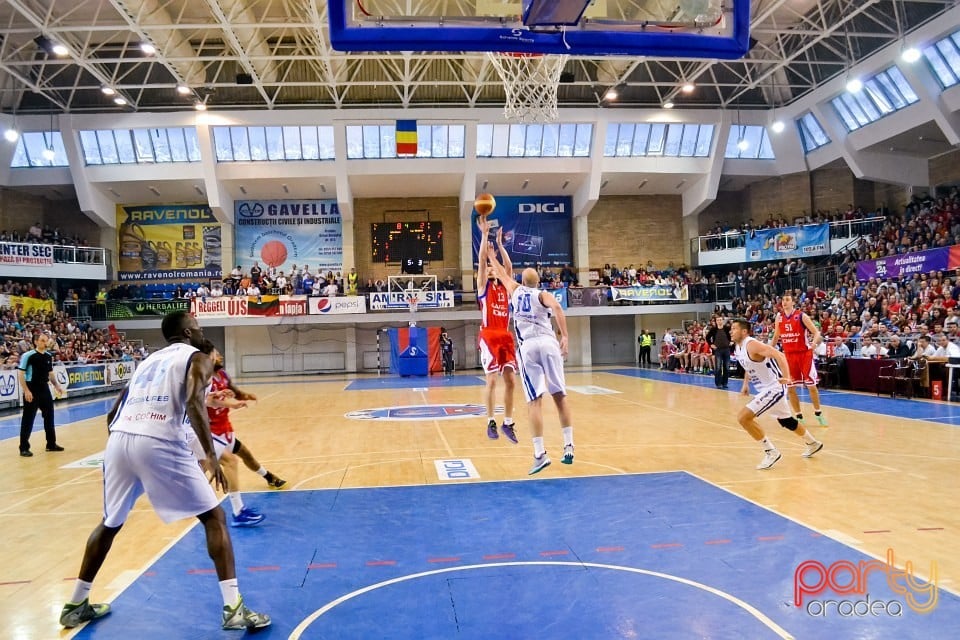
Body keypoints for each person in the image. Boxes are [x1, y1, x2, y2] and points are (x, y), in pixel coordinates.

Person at [59, 311, 270, 632]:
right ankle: (234, 609)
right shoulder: (197, 356)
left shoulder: (147, 361)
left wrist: (126, 446)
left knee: (110, 523)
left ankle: (76, 604)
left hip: (119, 439)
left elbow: (115, 410)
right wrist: (211, 458)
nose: (202, 334)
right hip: (157, 439)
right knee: (214, 518)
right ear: (186, 333)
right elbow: (192, 402)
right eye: (198, 329)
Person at [487, 259, 574, 474]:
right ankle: (569, 446)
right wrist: (565, 336)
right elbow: (556, 307)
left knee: (534, 402)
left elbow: (500, 272)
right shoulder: (541, 295)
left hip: (528, 347)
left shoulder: (515, 291)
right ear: (538, 282)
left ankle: (539, 454)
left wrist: (492, 252)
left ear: (522, 280)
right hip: (549, 343)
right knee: (560, 396)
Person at [198, 341, 287, 528]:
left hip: (224, 429)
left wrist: (243, 396)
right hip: (209, 431)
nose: (220, 356)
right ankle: (238, 512)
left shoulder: (221, 374)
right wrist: (231, 403)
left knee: (243, 455)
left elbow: (230, 394)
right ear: (209, 357)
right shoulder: (202, 377)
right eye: (217, 353)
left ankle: (269, 477)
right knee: (227, 462)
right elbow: (206, 401)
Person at [730, 318, 823, 470]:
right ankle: (813, 443)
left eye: (734, 329)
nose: (731, 331)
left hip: (774, 387)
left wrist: (786, 376)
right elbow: (748, 365)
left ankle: (770, 451)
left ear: (744, 331)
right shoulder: (738, 347)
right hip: (763, 388)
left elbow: (779, 355)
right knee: (786, 420)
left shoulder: (752, 344)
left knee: (743, 418)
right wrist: (745, 384)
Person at [476, 218, 518, 443]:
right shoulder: (484, 288)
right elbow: (482, 262)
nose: (493, 269)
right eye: (491, 268)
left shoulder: (506, 287)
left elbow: (509, 268)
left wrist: (501, 246)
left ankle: (508, 422)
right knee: (491, 380)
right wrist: (484, 236)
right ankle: (490, 420)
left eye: (495, 268)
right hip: (489, 335)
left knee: (511, 381)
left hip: (505, 336)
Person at [770, 294, 828, 427]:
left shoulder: (801, 315)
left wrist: (814, 344)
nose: (784, 302)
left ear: (792, 302)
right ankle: (799, 416)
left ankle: (818, 413)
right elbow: (776, 336)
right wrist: (768, 350)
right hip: (789, 355)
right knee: (790, 387)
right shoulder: (779, 317)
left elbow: (816, 332)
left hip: (804, 354)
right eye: (783, 300)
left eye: (787, 300)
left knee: (811, 386)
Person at [18, 332, 65, 457]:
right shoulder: (28, 356)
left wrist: (56, 385)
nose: (45, 342)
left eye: (46, 340)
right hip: (32, 388)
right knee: (28, 419)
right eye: (43, 340)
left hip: (44, 389)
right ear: (36, 342)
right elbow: (21, 374)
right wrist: (26, 390)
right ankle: (23, 447)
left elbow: (50, 374)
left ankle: (51, 444)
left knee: (49, 416)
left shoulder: (48, 356)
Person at [706, 316, 732, 389]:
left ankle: (725, 383)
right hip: (718, 350)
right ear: (716, 321)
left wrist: (732, 341)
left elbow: (733, 334)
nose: (719, 321)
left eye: (721, 320)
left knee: (726, 367)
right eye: (718, 320)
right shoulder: (713, 329)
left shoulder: (727, 328)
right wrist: (711, 344)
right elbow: (707, 337)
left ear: (722, 321)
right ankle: (718, 383)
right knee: (718, 367)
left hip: (726, 349)